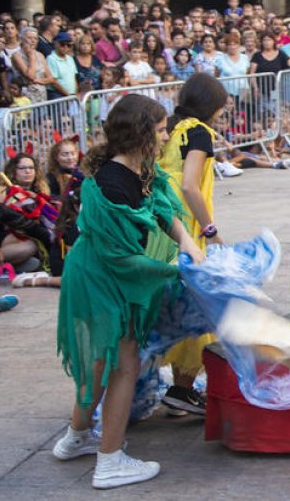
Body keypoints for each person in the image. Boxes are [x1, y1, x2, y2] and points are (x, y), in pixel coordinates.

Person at [53, 94, 205, 490]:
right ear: (140, 133)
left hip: (110, 277)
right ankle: (110, 460)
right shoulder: (110, 183)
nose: (166, 135)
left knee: (103, 364)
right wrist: (175, 272)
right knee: (121, 364)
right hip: (100, 280)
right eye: (159, 130)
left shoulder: (142, 167)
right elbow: (122, 259)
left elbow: (164, 209)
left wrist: (189, 245)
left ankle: (76, 438)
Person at [155, 73, 230, 416]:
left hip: (157, 225)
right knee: (195, 307)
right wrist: (210, 229)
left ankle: (142, 384)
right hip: (184, 228)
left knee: (159, 304)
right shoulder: (199, 132)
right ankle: (182, 389)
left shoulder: (167, 127)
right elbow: (189, 185)